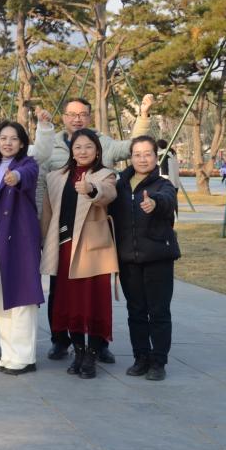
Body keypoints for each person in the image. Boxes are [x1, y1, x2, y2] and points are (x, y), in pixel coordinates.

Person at [33, 94, 152, 363]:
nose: (77, 119)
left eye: (82, 114)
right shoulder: (51, 148)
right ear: (64, 117)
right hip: (63, 239)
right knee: (61, 294)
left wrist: (143, 117)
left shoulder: (104, 145)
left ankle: (99, 345)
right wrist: (43, 235)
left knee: (95, 295)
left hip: (93, 239)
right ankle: (61, 340)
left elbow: (130, 149)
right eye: (71, 114)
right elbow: (44, 191)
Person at [41, 129, 118, 380]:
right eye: (78, 147)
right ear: (71, 151)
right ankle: (79, 351)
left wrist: (91, 188)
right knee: (69, 301)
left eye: (88, 147)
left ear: (97, 150)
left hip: (92, 250)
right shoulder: (55, 177)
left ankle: (92, 354)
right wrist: (45, 243)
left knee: (94, 302)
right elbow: (48, 214)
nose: (83, 151)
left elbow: (108, 193)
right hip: (65, 247)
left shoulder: (105, 175)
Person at [110, 136, 180, 381]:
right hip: (128, 259)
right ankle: (140, 357)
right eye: (137, 154)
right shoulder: (119, 184)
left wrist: (154, 203)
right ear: (130, 157)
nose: (142, 159)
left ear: (155, 156)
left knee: (158, 311)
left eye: (147, 154)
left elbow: (168, 200)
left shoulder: (163, 184)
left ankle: (158, 361)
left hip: (158, 257)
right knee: (136, 311)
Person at [0, 122, 44, 376]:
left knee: (21, 299)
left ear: (22, 143)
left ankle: (25, 357)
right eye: (3, 138)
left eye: (13, 138)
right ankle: (8, 353)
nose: (8, 143)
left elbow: (25, 176)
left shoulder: (28, 165)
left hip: (19, 242)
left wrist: (15, 177)